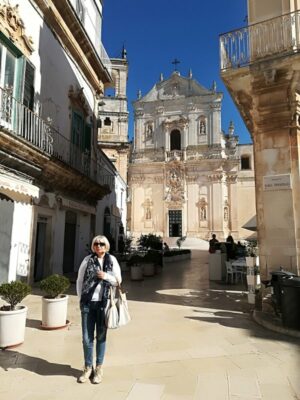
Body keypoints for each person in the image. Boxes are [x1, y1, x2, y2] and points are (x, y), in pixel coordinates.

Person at [76, 235, 121, 384]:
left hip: (104, 304)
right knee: (87, 338)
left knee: (101, 337)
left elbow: (118, 281)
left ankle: (99, 368)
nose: (99, 246)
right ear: (93, 246)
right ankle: (88, 367)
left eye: (102, 244)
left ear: (106, 246)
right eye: (96, 243)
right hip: (88, 304)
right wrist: (80, 299)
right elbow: (80, 280)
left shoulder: (112, 260)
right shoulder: (87, 260)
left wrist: (106, 276)